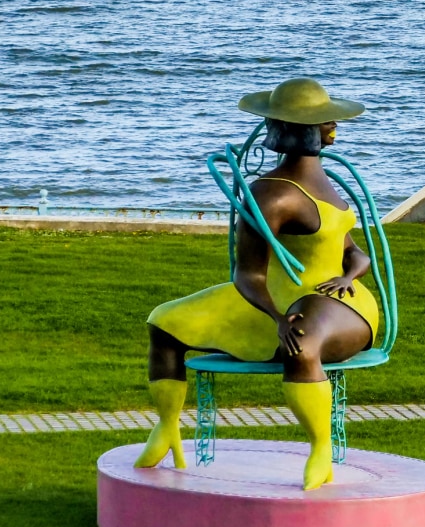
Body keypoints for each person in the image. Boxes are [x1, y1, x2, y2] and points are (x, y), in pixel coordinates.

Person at [136, 78, 378, 491]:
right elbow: (248, 275)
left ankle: (320, 447)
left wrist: (347, 277)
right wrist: (277, 318)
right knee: (164, 321)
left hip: (339, 302)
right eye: (323, 121)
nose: (333, 125)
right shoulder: (269, 195)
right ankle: (167, 427)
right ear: (295, 129)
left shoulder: (325, 184)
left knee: (302, 344)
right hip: (273, 298)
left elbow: (354, 253)